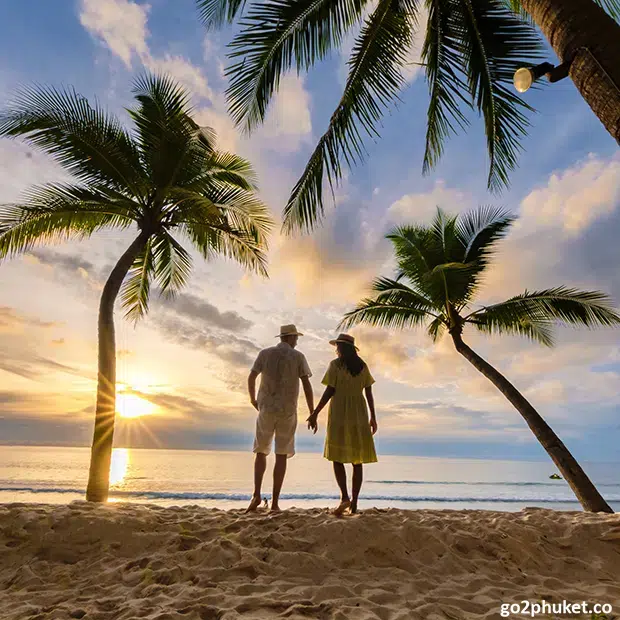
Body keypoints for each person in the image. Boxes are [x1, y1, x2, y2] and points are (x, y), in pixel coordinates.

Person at [307, 333, 377, 515]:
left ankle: (345, 497)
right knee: (357, 460)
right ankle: (354, 503)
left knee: (337, 457)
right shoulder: (362, 366)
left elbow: (330, 390)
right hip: (359, 413)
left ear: (340, 347)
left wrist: (315, 413)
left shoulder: (335, 365)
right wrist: (373, 416)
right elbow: (368, 392)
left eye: (337, 346)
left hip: (339, 412)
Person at [247, 324, 314, 512]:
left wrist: (253, 399)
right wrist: (312, 411)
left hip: (266, 408)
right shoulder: (298, 356)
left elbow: (251, 377)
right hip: (287, 411)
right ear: (291, 338)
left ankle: (257, 495)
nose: (297, 341)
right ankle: (275, 502)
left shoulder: (265, 353)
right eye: (296, 338)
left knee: (261, 451)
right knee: (281, 454)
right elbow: (307, 386)